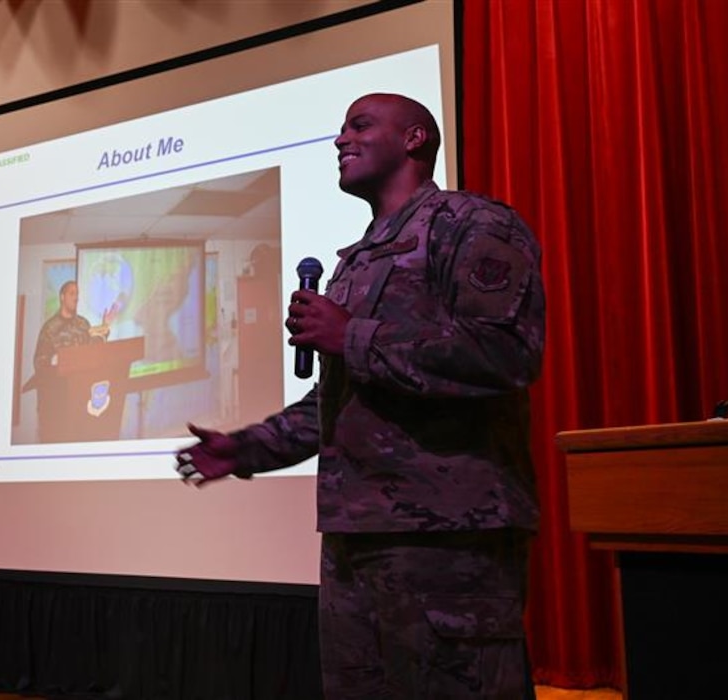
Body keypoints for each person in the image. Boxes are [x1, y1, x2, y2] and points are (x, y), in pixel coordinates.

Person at [174, 93, 545, 699]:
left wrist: (352, 334)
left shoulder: (474, 225)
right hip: (356, 538)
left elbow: (504, 355)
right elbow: (337, 398)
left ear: (415, 139)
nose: (341, 139)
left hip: (448, 539)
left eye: (360, 125)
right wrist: (245, 450)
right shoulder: (358, 262)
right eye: (342, 128)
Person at [32, 279, 111, 442]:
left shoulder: (83, 324)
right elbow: (39, 362)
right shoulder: (50, 328)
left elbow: (93, 350)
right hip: (55, 403)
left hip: (80, 400)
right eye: (72, 293)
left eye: (78, 294)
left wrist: (105, 327)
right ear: (62, 297)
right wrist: (55, 360)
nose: (76, 298)